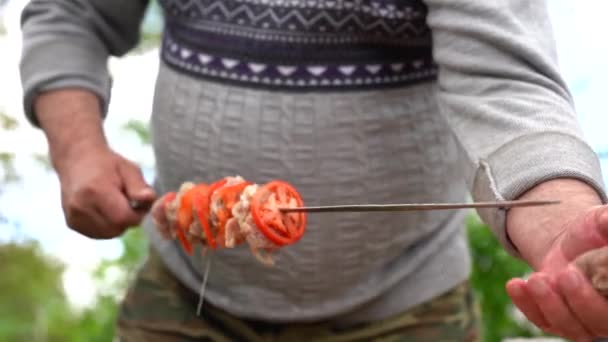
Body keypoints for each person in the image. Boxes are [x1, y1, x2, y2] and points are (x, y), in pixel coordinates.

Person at [18, 0, 608, 341]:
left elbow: (503, 77)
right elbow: (72, 13)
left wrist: (566, 229)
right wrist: (77, 151)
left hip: (408, 314)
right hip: (183, 300)